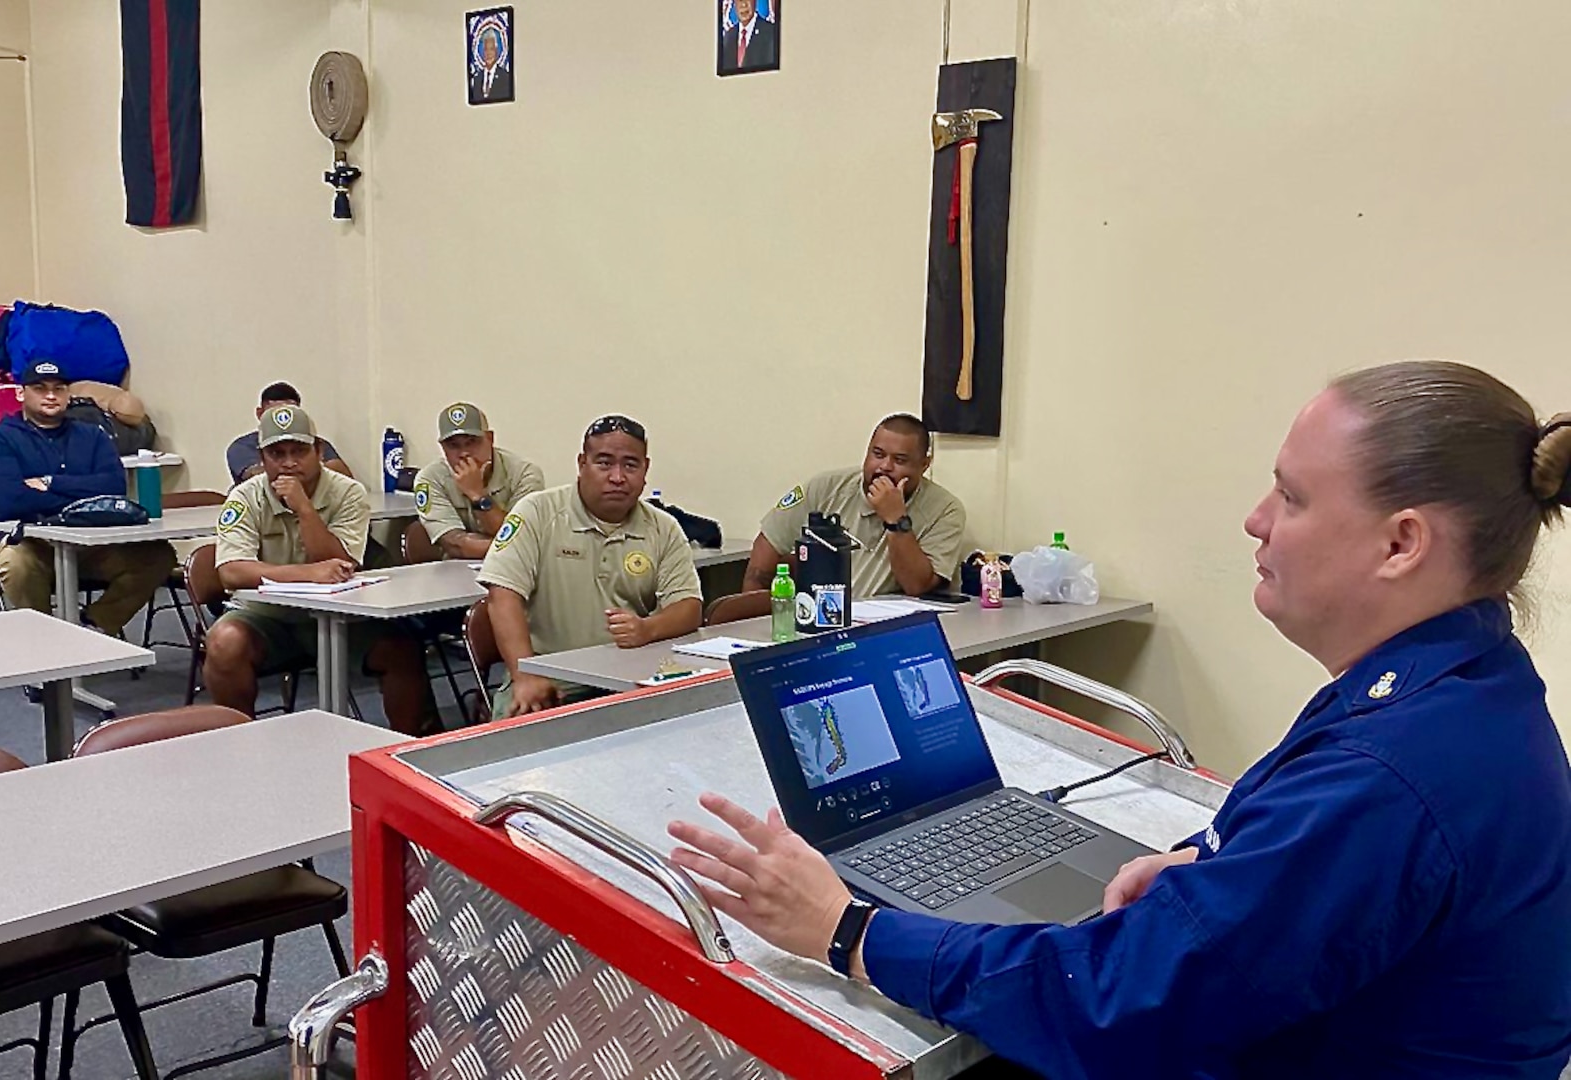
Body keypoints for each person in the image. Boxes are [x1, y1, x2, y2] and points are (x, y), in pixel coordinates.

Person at [670, 361, 1571, 1078]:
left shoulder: (1390, 775)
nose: (1256, 521)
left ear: (1401, 543)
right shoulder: (1468, 684)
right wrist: (1213, 874)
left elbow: (1114, 1005)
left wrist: (847, 928)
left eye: (1293, 498)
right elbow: (1352, 893)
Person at [205, 405, 440, 735]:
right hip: (269, 617)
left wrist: (304, 509)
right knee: (223, 642)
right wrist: (306, 573)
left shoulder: (347, 492)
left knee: (401, 649)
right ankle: (237, 737)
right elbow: (230, 572)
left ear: (318, 451)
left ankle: (410, 747)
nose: (289, 462)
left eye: (299, 451)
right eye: (277, 453)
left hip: (345, 618)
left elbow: (342, 562)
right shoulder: (245, 497)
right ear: (262, 457)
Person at [480, 415, 703, 719]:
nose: (617, 477)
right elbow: (502, 596)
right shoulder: (537, 512)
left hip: (631, 672)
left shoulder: (664, 528)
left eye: (630, 465)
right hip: (552, 673)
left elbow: (689, 606)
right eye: (604, 463)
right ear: (582, 464)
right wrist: (525, 674)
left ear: (645, 470)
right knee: (513, 737)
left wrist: (647, 629)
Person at [0, 359, 176, 635]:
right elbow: (13, 501)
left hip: (93, 543)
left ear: (68, 395)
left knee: (159, 556)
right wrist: (84, 495)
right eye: (40, 388)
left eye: (59, 388)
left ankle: (92, 627)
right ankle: (47, 640)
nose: (50, 395)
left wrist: (50, 484)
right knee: (14, 565)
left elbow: (115, 486)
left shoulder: (92, 435)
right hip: (32, 543)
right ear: (21, 393)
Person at [743, 414, 966, 598]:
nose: (885, 467)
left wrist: (896, 521)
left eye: (899, 460)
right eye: (877, 455)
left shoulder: (945, 510)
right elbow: (765, 549)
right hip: (815, 622)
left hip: (886, 631)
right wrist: (754, 623)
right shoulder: (826, 488)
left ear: (924, 465)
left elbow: (917, 585)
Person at [413, 402, 545, 559]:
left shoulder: (525, 474)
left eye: (472, 442)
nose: (464, 453)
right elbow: (456, 545)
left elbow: (523, 538)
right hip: (456, 572)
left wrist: (478, 495)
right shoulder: (430, 479)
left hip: (515, 570)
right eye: (453, 446)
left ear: (490, 439)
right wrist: (513, 544)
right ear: (442, 447)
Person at [225, 381, 351, 485]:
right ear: (259, 413)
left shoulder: (312, 442)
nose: (284, 421)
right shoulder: (241, 447)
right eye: (276, 453)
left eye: (300, 451)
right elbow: (261, 478)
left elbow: (344, 478)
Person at [720, 0, 778, 71]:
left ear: (755, 1)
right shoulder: (728, 36)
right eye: (739, 0)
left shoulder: (770, 32)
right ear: (734, 4)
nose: (743, 5)